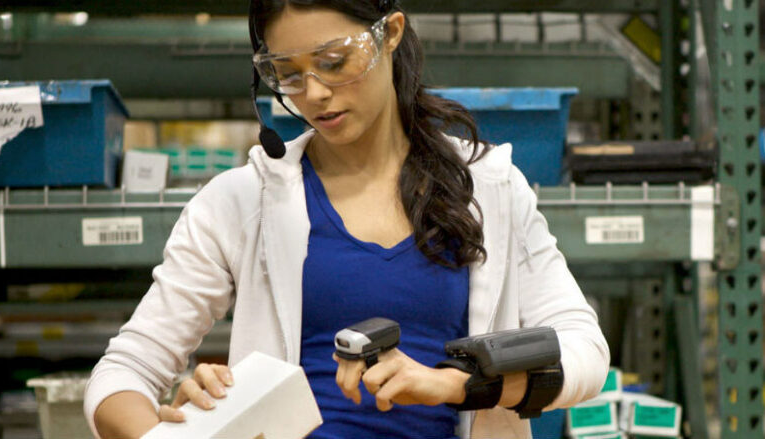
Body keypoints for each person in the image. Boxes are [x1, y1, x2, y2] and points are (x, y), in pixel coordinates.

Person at [84, 0, 610, 438]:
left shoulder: (489, 188)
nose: (313, 94)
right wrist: (178, 433)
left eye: (334, 61)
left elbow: (584, 353)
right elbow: (120, 374)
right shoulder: (241, 201)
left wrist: (455, 384)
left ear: (391, 34)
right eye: (287, 76)